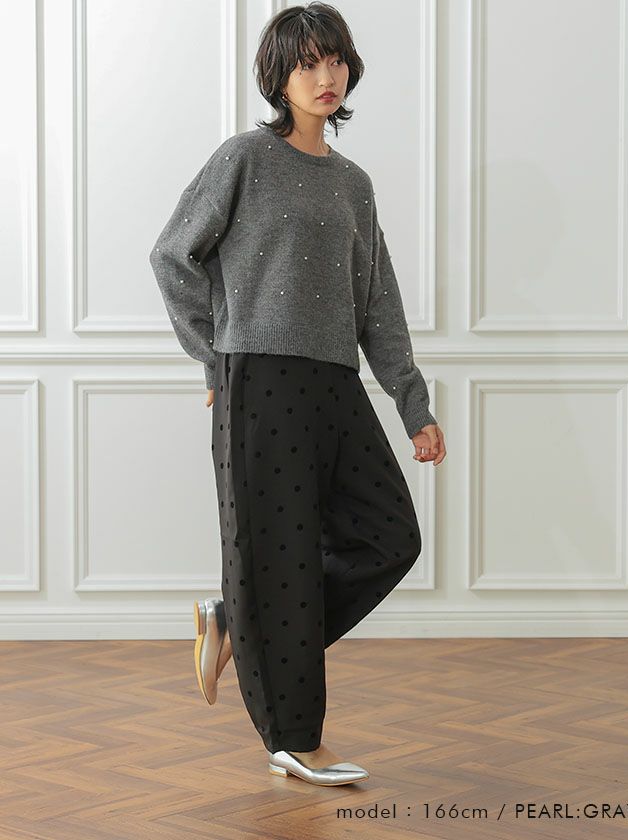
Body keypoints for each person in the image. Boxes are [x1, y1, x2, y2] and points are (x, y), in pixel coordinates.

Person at [150, 1, 446, 787]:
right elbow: (173, 256)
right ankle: (294, 739)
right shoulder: (245, 158)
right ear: (278, 76)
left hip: (334, 383)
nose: (326, 75)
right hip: (260, 379)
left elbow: (377, 303)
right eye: (308, 62)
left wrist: (412, 404)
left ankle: (237, 622)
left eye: (336, 59)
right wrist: (214, 360)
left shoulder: (353, 184)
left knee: (391, 536)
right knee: (278, 556)